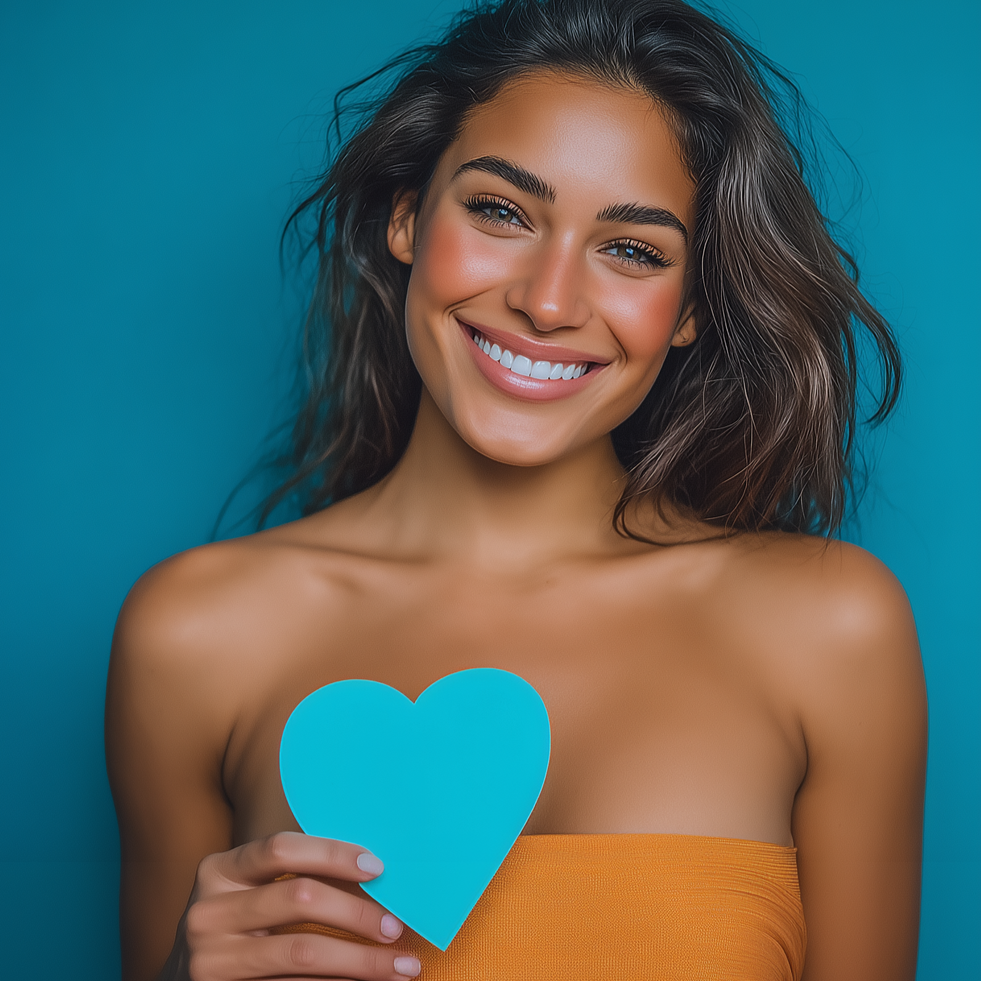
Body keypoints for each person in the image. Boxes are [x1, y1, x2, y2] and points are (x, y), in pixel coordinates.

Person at [104, 1, 927, 978]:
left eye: (632, 249)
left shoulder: (831, 630)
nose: (546, 300)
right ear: (407, 216)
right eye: (500, 211)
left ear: (691, 310)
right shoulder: (195, 635)